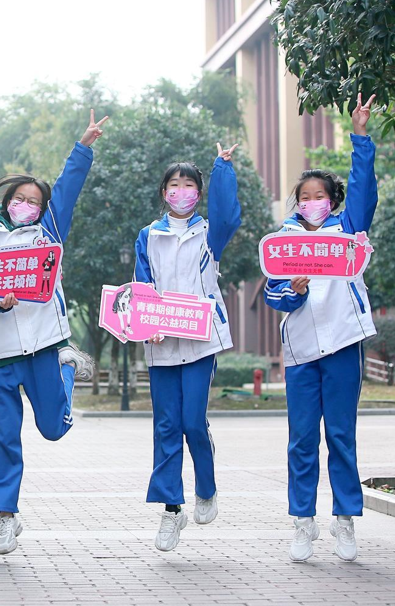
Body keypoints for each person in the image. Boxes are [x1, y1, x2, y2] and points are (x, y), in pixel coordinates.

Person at [0, 111, 106, 555]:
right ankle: (5, 516)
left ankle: (67, 367)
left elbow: (67, 190)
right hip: (0, 353)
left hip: (45, 345)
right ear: (7, 201)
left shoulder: (49, 229)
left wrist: (83, 147)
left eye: (34, 201)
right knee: (2, 437)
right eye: (20, 199)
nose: (26, 205)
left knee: (54, 429)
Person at [264, 93, 377, 563]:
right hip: (301, 353)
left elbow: (365, 189)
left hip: (343, 343)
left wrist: (361, 137)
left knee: (342, 436)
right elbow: (274, 296)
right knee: (302, 438)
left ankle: (345, 520)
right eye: (304, 197)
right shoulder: (283, 241)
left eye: (319, 196)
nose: (311, 203)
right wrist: (295, 290)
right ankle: (302, 522)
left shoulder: (347, 231)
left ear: (332, 202)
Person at [134, 142, 241, 552]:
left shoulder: (210, 232)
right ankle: (170, 510)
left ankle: (207, 487)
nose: (181, 191)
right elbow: (142, 284)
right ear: (164, 193)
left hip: (200, 340)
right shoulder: (148, 235)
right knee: (166, 425)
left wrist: (223, 169)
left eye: (189, 185)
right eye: (174, 185)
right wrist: (148, 322)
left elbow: (230, 214)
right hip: (161, 343)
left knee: (193, 422)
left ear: (198, 192)